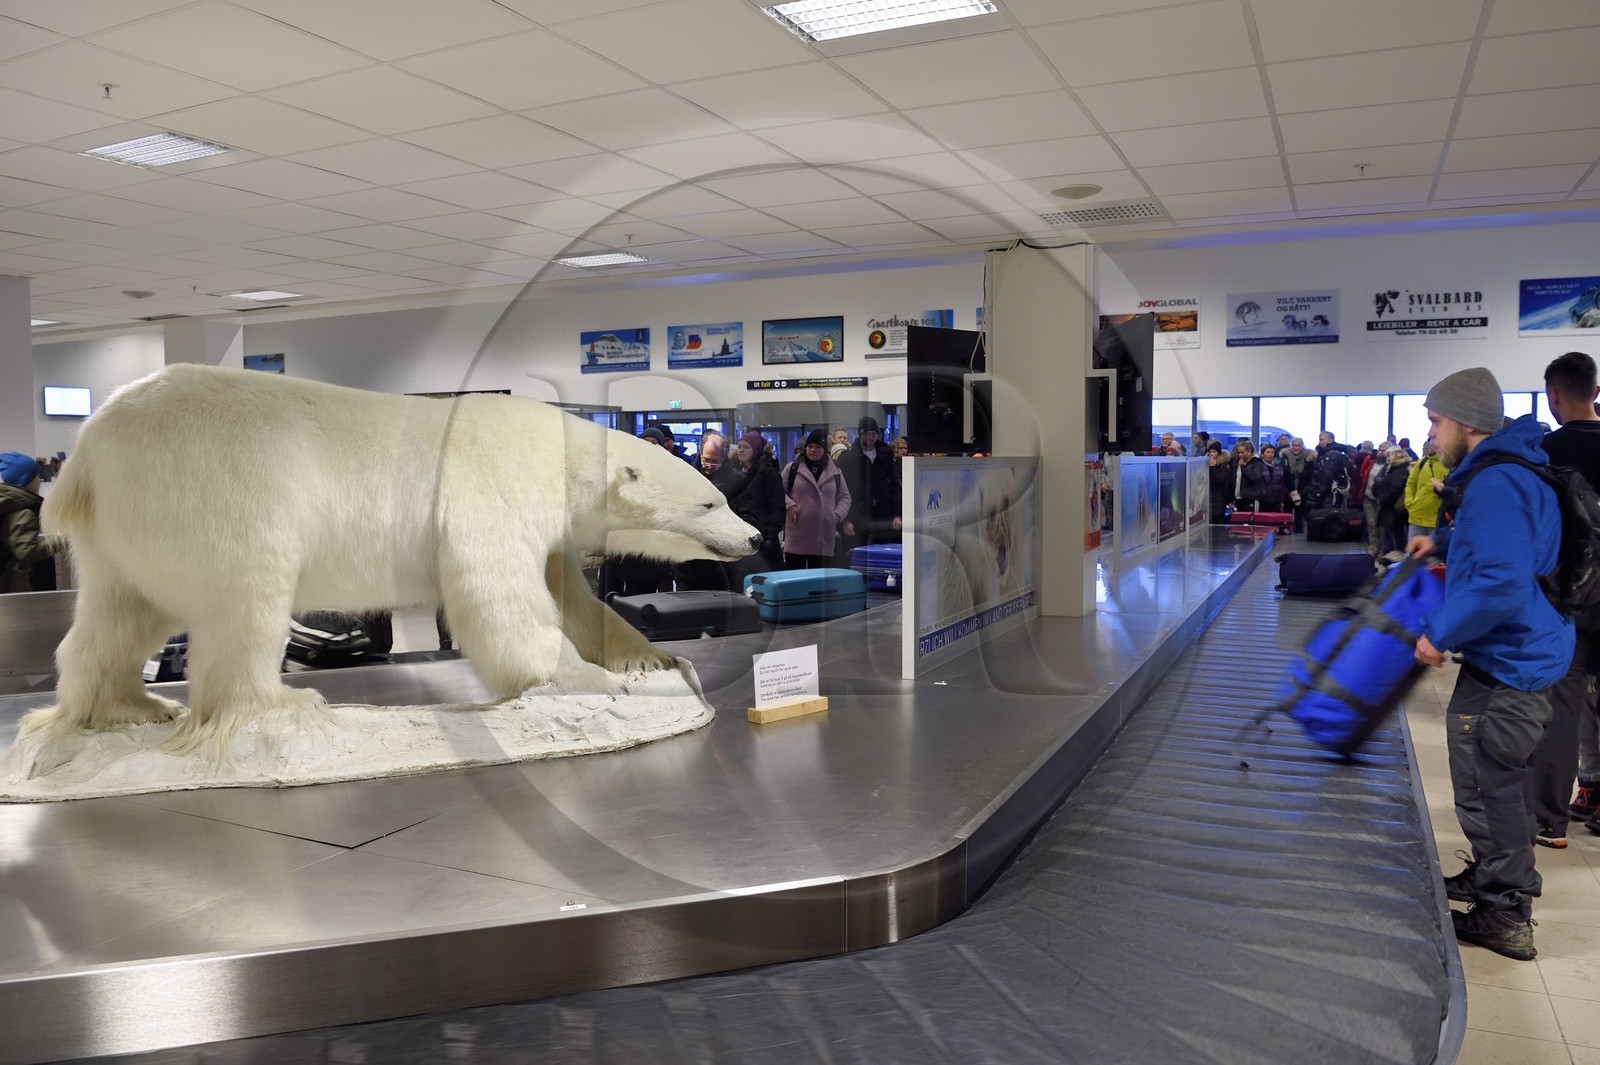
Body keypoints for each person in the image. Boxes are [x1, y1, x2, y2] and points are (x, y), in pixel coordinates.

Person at [1407, 367, 1573, 961]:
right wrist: (1443, 544)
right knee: (1479, 771)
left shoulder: (1498, 481)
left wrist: (1438, 634)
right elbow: (1500, 547)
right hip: (1507, 652)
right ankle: (1490, 876)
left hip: (1514, 657)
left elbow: (1502, 582)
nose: (1430, 432)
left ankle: (1506, 911)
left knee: (1492, 779)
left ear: (1467, 421)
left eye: (1435, 420)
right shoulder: (1503, 472)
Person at [1526, 352, 1600, 850]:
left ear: (1553, 395)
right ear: (1596, 391)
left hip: (1570, 595)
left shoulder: (1543, 452)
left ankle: (1550, 820)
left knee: (1563, 702)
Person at [717, 430, 785, 581]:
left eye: (746, 447)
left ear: (756, 450)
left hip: (764, 538)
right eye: (739, 446)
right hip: (748, 536)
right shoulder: (740, 474)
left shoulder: (769, 473)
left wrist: (771, 536)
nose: (740, 450)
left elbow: (778, 507)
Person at [781, 428, 850, 569]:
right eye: (810, 446)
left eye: (818, 447)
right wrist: (790, 506)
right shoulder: (792, 469)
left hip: (823, 540)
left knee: (818, 586)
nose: (813, 450)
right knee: (794, 580)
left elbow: (845, 497)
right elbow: (779, 492)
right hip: (797, 537)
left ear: (824, 449)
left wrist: (836, 515)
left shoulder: (835, 472)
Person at [838, 415, 902, 550]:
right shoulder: (848, 458)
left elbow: (894, 486)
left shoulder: (885, 455)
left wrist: (897, 514)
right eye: (867, 434)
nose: (871, 438)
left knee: (884, 553)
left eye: (874, 434)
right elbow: (842, 491)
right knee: (858, 555)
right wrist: (846, 519)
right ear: (860, 434)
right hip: (858, 516)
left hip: (883, 513)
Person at [1, 453, 57, 593]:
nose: (39, 481)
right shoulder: (22, 511)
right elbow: (26, 553)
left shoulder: (8, 503)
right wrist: (60, 540)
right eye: (37, 477)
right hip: (14, 587)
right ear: (27, 480)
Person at [1370, 444, 1412, 556]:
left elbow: (1394, 490)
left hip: (1394, 511)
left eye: (1389, 456)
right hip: (1390, 511)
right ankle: (1389, 560)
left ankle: (1395, 563)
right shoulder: (1392, 470)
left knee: (1397, 541)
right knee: (1390, 538)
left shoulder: (1399, 472)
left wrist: (1382, 497)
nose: (1387, 458)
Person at [1404, 439, 1450, 542]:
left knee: (1434, 554)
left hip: (1437, 519)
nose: (1426, 447)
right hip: (1417, 515)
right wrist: (1410, 503)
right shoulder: (1422, 462)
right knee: (1414, 554)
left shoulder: (1449, 464)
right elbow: (1411, 484)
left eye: (1430, 444)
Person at [1303, 431, 1353, 511]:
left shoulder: (1330, 455)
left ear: (1330, 440)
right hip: (1331, 493)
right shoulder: (1332, 453)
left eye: (1322, 440)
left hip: (1328, 494)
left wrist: (1319, 493)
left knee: (1323, 517)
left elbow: (1327, 476)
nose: (1320, 442)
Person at [1281, 436, 1312, 531]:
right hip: (1288, 493)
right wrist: (1289, 492)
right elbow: (1281, 477)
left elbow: (1311, 479)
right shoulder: (1284, 459)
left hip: (1302, 493)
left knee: (1300, 520)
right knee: (1287, 520)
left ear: (1302, 446)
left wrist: (1302, 493)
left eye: (1298, 446)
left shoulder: (1309, 459)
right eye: (1294, 445)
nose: (1296, 448)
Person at [1227, 440, 1267, 511]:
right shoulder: (1236, 464)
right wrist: (1231, 497)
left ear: (1249, 452)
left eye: (1242, 452)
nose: (1240, 455)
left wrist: (1244, 467)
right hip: (1238, 498)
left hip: (1251, 497)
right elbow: (1234, 481)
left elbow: (1255, 477)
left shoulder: (1256, 462)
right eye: (1239, 453)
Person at [1257, 443, 1288, 510]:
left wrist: (1282, 500)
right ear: (1262, 454)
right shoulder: (1258, 466)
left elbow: (1282, 484)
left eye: (1272, 452)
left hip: (1276, 500)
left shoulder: (1279, 466)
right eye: (1268, 452)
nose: (1270, 454)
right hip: (1262, 500)